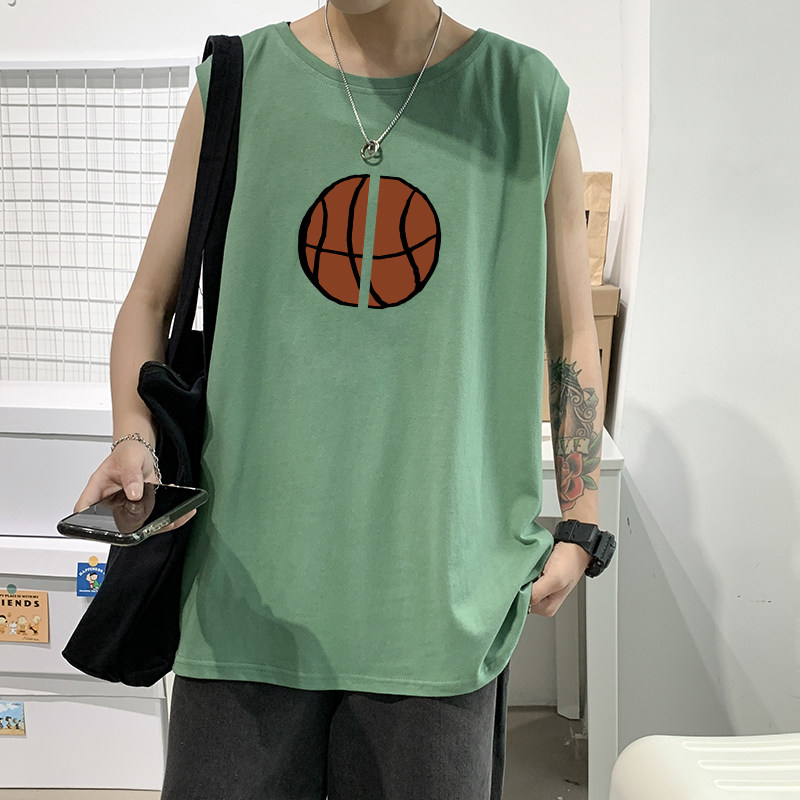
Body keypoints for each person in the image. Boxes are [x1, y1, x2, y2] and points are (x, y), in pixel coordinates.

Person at [73, 0, 605, 797]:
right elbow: (149, 298)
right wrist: (132, 436)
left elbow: (573, 334)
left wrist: (583, 523)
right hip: (247, 596)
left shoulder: (524, 97)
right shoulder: (238, 82)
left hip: (439, 603)